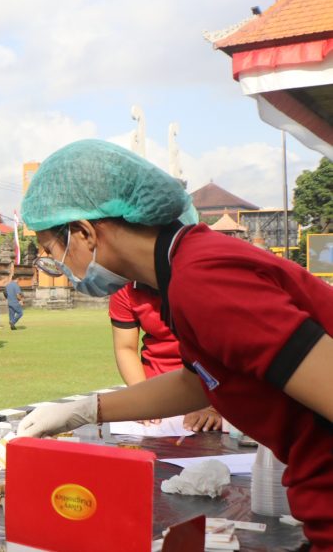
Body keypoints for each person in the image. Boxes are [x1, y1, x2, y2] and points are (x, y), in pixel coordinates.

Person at [17, 139, 333, 547]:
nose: (57, 269)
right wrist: (83, 411)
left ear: (83, 232)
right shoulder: (185, 269)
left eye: (51, 252)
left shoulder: (202, 280)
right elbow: (200, 380)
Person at [109, 283, 222, 432]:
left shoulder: (198, 280)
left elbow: (226, 345)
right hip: (157, 392)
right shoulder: (126, 288)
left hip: (207, 391)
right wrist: (144, 399)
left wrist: (215, 407)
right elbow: (126, 348)